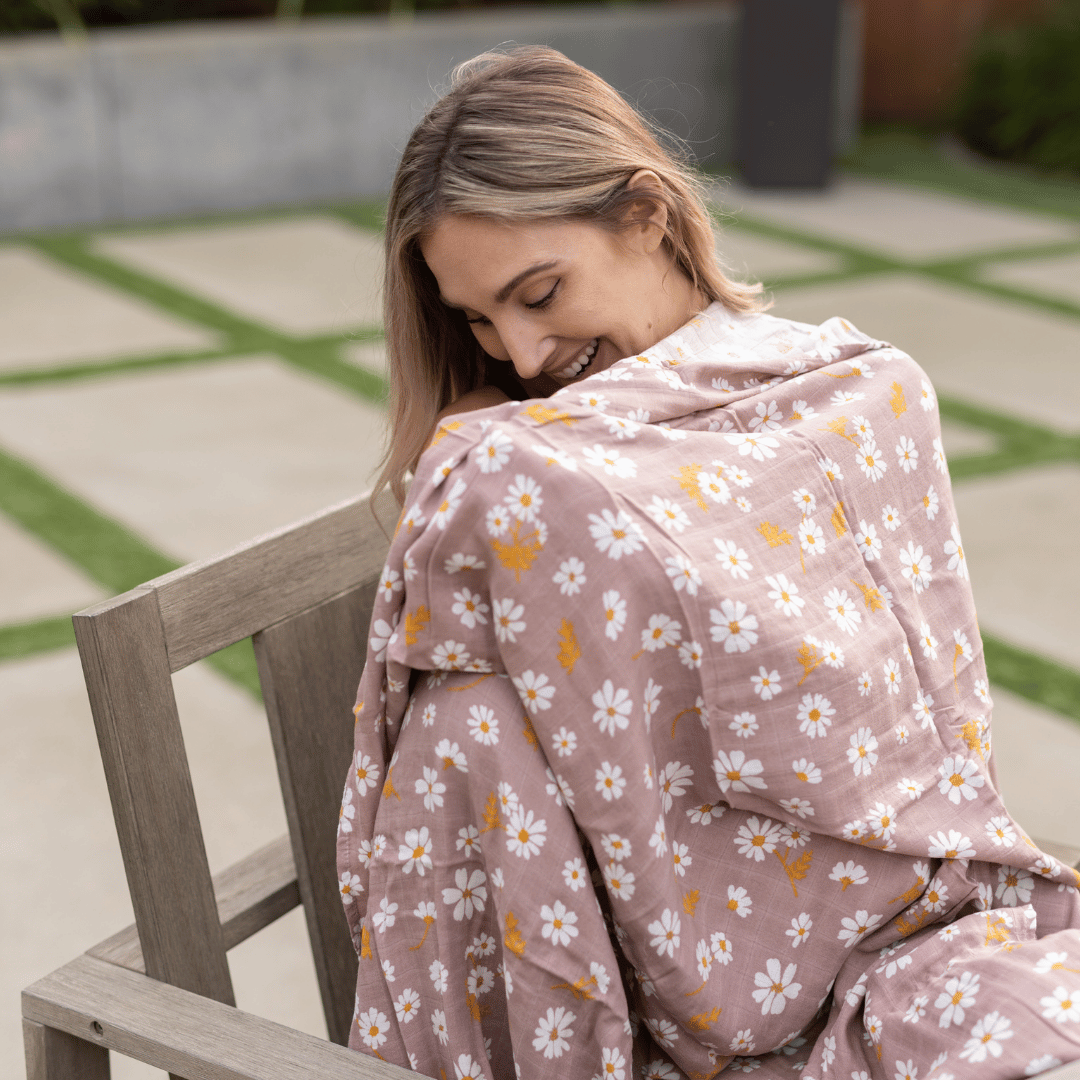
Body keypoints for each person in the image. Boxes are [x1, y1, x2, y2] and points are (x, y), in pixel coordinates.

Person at [337, 47, 1080, 1079]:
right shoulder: (518, 479)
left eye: (540, 292)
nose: (517, 356)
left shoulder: (851, 391)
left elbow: (903, 719)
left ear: (645, 213)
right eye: (475, 319)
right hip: (711, 996)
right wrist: (497, 455)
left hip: (908, 919)